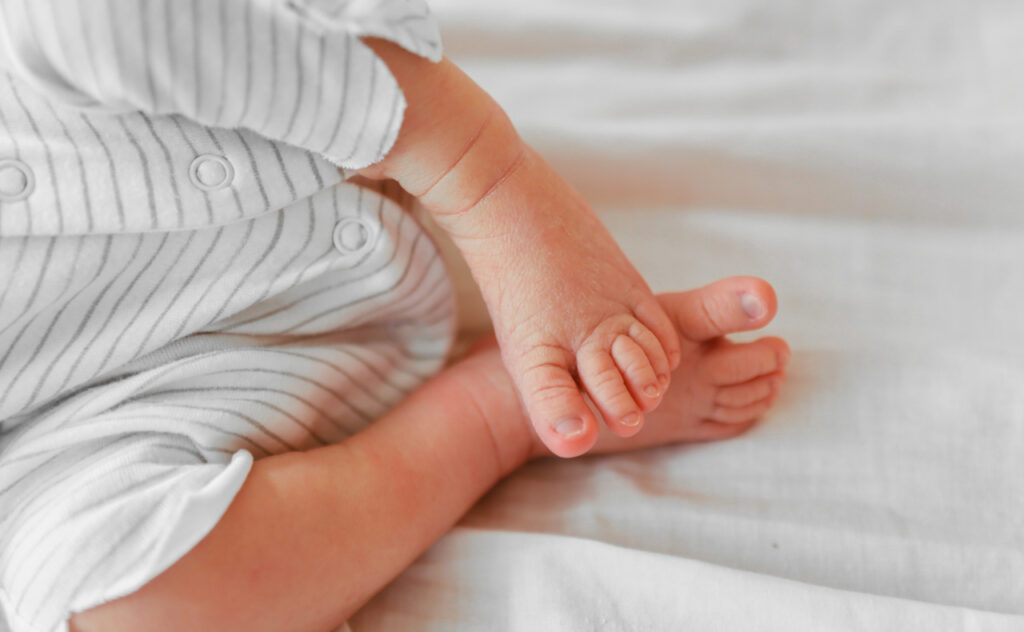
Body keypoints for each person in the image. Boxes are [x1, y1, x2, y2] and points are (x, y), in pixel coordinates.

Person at [0, 1, 789, 630]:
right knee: (126, 610)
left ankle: (476, 167)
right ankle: (491, 415)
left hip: (198, 122)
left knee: (84, 16)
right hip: (79, 423)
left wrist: (480, 180)